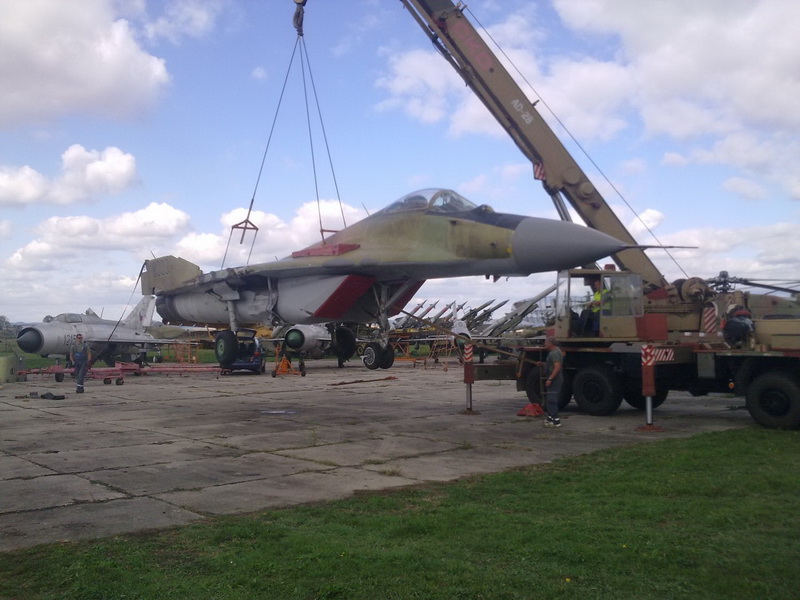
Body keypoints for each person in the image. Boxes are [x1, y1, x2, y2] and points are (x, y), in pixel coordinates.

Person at [537, 336, 563, 428]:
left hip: (555, 379)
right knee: (550, 399)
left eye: (546, 342)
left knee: (552, 400)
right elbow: (552, 365)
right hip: (554, 378)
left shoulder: (554, 353)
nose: (545, 344)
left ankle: (556, 421)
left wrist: (550, 379)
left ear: (550, 343)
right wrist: (543, 364)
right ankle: (550, 418)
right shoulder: (555, 352)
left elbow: (557, 367)